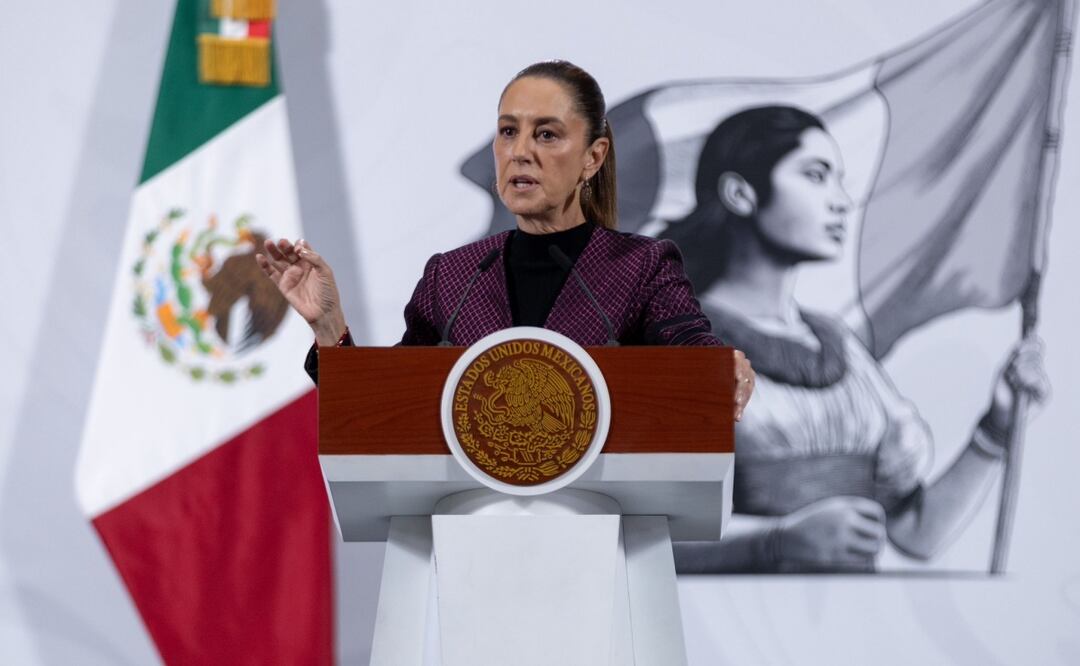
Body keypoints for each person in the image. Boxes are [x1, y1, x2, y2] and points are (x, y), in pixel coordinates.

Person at [665, 106, 1050, 573]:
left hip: (853, 614)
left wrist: (997, 426)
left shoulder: (840, 346)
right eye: (815, 175)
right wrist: (775, 542)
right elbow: (640, 536)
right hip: (732, 614)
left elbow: (916, 534)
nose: (842, 201)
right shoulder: (675, 341)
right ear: (740, 193)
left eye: (839, 180)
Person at [254, 60, 755, 417]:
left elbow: (692, 349)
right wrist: (329, 325)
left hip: (599, 525)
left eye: (546, 134)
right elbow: (385, 409)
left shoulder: (641, 266)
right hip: (470, 529)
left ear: (593, 157)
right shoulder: (452, 277)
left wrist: (719, 367)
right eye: (508, 131)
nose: (519, 152)